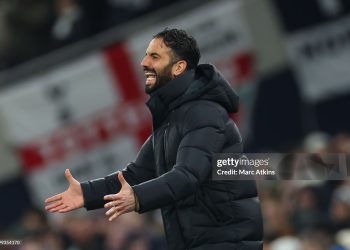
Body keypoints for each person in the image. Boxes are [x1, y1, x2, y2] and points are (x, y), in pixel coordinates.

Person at [45, 28, 263, 250]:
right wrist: (86, 193)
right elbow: (135, 175)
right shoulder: (173, 120)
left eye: (154, 56)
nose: (143, 62)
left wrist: (137, 198)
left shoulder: (203, 113)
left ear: (179, 67)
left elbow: (187, 176)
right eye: (146, 54)